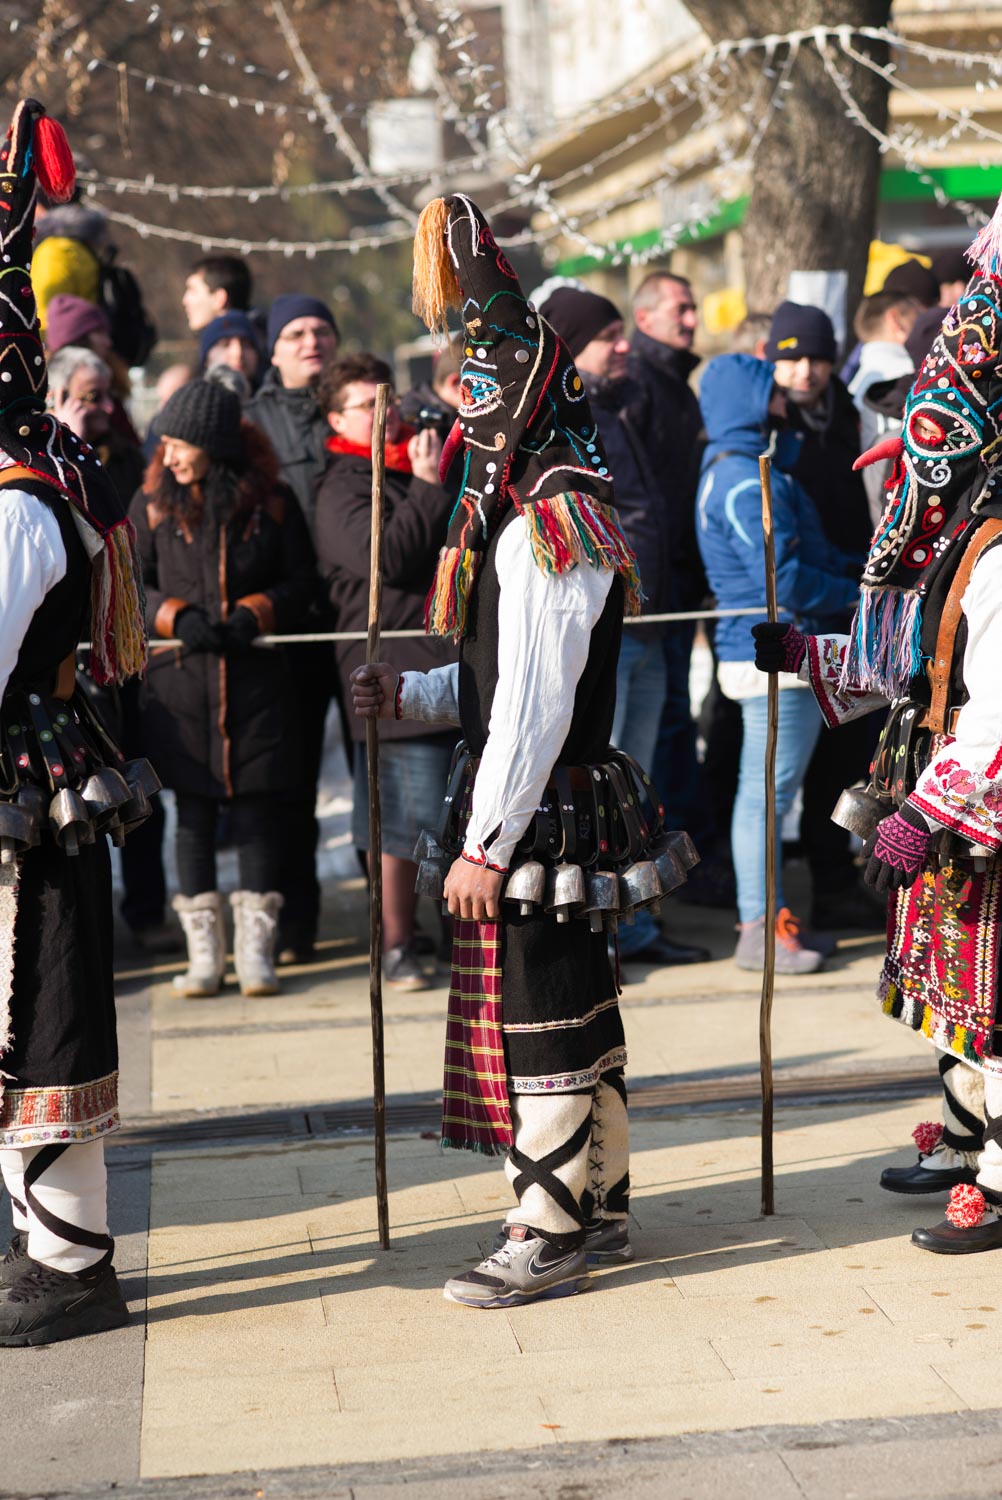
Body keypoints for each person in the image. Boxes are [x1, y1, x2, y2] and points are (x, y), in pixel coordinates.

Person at [354, 193, 685, 1308]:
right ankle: (606, 1196)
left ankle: (548, 1224)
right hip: (540, 789)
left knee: (542, 1002)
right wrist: (420, 686)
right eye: (466, 390)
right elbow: (508, 677)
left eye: (488, 393)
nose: (470, 413)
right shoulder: (520, 510)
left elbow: (541, 700)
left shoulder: (550, 518)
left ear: (533, 399)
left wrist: (486, 843)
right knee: (575, 992)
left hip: (538, 805)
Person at [751, 210, 1002, 1252]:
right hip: (948, 799)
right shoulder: (957, 536)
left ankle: (998, 1172)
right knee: (960, 995)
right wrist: (809, 656)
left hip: (978, 805)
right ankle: (964, 1135)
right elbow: (915, 659)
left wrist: (930, 810)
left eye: (930, 434)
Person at [0, 98, 151, 1345]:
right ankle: (56, 1249)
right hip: (32, 780)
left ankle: (66, 1262)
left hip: (22, 786)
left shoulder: (15, 500)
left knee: (36, 1018)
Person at [130, 379, 319, 998]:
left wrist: (257, 611)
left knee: (259, 815)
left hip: (257, 687)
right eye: (165, 443)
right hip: (181, 689)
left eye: (179, 443)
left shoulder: (272, 502)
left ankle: (255, 955)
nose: (169, 455)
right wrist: (175, 616)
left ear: (212, 443)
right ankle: (205, 958)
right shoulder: (151, 502)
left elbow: (301, 584)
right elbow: (131, 586)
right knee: (193, 818)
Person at [540, 285, 708, 968]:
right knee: (594, 791)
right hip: (602, 633)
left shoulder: (613, 404)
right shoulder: (560, 420)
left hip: (646, 622)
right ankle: (596, 934)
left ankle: (630, 928)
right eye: (608, 336)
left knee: (631, 790)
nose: (622, 347)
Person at [696, 353, 860, 973]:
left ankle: (775, 917)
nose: (782, 401)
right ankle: (760, 930)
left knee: (767, 791)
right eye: (769, 392)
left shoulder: (757, 469)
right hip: (771, 659)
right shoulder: (742, 480)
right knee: (765, 795)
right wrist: (857, 593)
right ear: (746, 403)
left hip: (785, 653)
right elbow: (780, 578)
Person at [315, 353, 456, 988]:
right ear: (337, 416)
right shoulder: (342, 484)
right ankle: (398, 941)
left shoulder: (416, 465)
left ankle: (458, 932)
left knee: (452, 811)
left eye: (389, 401)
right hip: (387, 663)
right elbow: (387, 560)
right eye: (369, 406)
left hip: (445, 657)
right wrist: (428, 487)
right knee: (400, 817)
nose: (387, 414)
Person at [766, 301, 877, 932]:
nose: (804, 370)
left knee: (847, 752)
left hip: (852, 600)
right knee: (788, 764)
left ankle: (835, 882)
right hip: (797, 609)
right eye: (790, 358)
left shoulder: (848, 411)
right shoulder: (765, 421)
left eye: (815, 356)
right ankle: (775, 903)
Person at [246, 293, 341, 963]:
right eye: (297, 333)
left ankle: (395, 927)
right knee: (294, 785)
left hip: (363, 621)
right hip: (291, 632)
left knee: (383, 779)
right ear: (274, 349)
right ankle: (295, 924)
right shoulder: (252, 423)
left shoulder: (365, 404)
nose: (312, 342)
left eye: (321, 331)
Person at [848, 291, 919, 411]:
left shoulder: (853, 386)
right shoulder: (916, 375)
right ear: (895, 320)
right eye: (918, 317)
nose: (923, 326)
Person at [181, 255, 253, 333]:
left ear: (219, 298)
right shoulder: (255, 337)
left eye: (193, 290)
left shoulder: (240, 341)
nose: (184, 300)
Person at [199, 310, 262, 390]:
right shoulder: (190, 400)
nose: (238, 353)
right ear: (207, 358)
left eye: (246, 345)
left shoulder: (271, 399)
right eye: (225, 345)